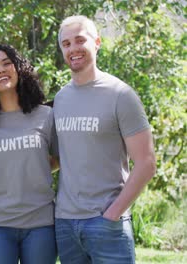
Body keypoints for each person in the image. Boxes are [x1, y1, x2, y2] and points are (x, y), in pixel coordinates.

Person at [53, 15, 156, 263]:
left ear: (97, 42)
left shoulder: (120, 94)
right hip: (66, 224)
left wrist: (112, 214)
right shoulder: (61, 99)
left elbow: (147, 163)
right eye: (66, 44)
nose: (73, 49)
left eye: (80, 40)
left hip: (107, 224)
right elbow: (59, 158)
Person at [0, 44, 58, 264]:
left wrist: (23, 163)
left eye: (7, 64)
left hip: (41, 223)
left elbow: (60, 159)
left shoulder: (45, 116)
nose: (1, 70)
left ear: (19, 69)